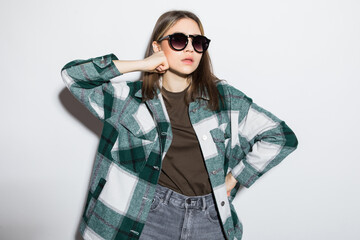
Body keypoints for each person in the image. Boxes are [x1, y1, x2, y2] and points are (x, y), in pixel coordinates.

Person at [61, 10, 298, 240]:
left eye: (198, 43)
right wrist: (142, 64)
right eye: (178, 40)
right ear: (157, 47)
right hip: (149, 216)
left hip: (210, 217)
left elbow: (281, 136)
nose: (189, 49)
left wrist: (235, 177)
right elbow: (74, 77)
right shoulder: (128, 100)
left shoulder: (224, 99)